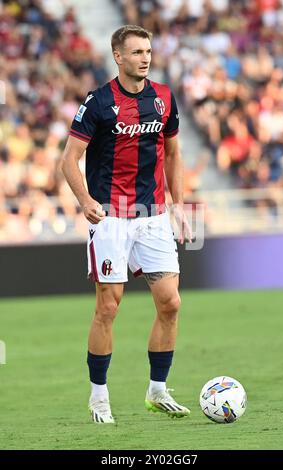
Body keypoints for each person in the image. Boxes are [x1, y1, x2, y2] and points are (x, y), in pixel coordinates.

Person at [62, 24, 192, 424]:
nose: (145, 57)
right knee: (108, 306)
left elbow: (172, 153)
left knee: (170, 302)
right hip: (112, 218)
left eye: (148, 51)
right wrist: (85, 201)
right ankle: (99, 397)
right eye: (136, 52)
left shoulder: (164, 98)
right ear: (118, 56)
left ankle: (157, 391)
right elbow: (69, 159)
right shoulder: (99, 103)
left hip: (152, 216)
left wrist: (180, 204)